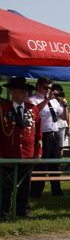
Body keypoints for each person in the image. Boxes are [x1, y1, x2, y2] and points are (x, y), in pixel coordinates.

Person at [0, 77, 41, 218]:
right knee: (6, 185)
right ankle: (4, 212)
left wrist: (38, 153)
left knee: (24, 185)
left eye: (27, 92)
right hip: (8, 155)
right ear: (13, 92)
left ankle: (22, 211)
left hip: (27, 154)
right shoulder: (3, 109)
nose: (26, 95)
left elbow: (38, 134)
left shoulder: (32, 109)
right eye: (22, 92)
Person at [28, 77, 64, 197]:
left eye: (50, 88)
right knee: (41, 164)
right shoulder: (33, 99)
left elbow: (62, 116)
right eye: (45, 87)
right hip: (42, 135)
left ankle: (56, 190)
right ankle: (36, 191)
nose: (48, 90)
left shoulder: (54, 101)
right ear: (38, 86)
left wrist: (64, 105)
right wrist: (47, 99)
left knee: (55, 163)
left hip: (54, 134)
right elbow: (34, 111)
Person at [50, 83, 70, 153]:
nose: (57, 93)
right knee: (52, 146)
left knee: (60, 146)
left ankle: (59, 161)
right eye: (55, 91)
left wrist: (69, 127)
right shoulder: (50, 100)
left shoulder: (63, 101)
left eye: (59, 91)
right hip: (52, 126)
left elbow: (68, 115)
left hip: (62, 125)